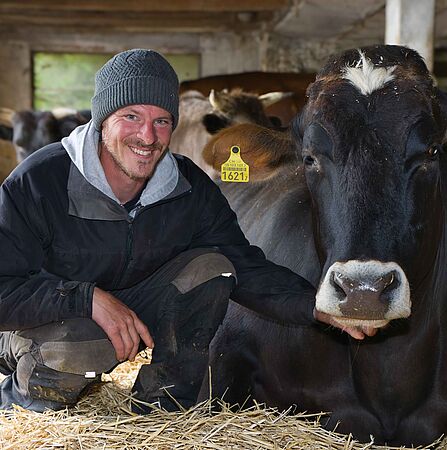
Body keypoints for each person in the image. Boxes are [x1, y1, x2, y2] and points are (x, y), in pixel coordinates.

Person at [0, 49, 366, 414]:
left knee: (213, 266)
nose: (147, 136)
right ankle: (16, 405)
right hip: (31, 322)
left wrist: (315, 305)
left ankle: (163, 406)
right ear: (102, 119)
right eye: (131, 116)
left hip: (126, 313)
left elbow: (243, 264)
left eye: (161, 121)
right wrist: (86, 299)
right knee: (79, 344)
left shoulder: (186, 185)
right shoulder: (40, 181)